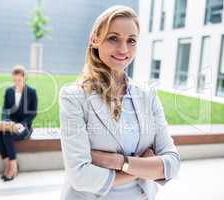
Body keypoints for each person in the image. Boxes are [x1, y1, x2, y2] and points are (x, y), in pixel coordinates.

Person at [59, 5, 180, 200]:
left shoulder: (148, 95)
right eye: (113, 38)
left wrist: (116, 161)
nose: (123, 49)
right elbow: (80, 177)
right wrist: (145, 167)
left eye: (131, 40)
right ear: (95, 39)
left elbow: (172, 164)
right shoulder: (74, 97)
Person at [0, 65, 38, 182]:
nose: (16, 83)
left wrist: (22, 124)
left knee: (6, 135)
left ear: (24, 78)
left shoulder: (32, 92)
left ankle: (13, 168)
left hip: (25, 127)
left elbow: (33, 113)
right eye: (14, 80)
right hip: (11, 125)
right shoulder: (9, 91)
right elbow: (5, 110)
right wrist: (7, 122)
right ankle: (7, 164)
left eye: (19, 80)